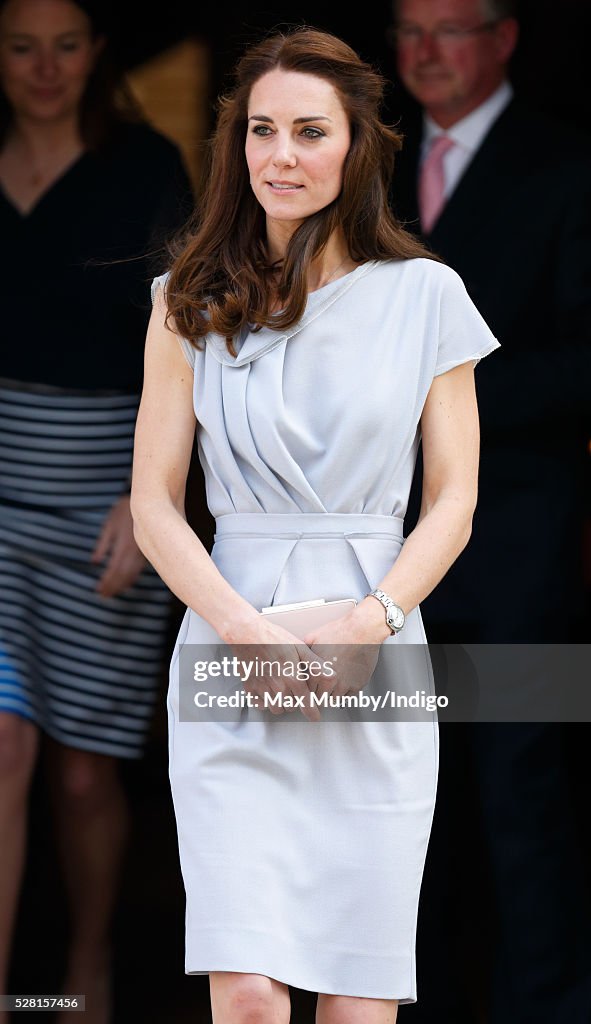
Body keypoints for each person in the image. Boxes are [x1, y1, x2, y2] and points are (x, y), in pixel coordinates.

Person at [130, 25, 500, 1024]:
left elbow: (455, 500)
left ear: (356, 146)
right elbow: (156, 505)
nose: (280, 154)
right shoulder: (184, 300)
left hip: (375, 647)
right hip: (226, 642)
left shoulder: (427, 296)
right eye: (260, 130)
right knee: (247, 991)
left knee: (356, 1001)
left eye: (308, 130)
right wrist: (244, 632)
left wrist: (367, 623)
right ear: (234, 145)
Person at [389, 0, 591, 1021]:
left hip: (516, 547)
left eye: (451, 27)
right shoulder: (365, 161)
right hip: (378, 558)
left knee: (521, 796)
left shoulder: (568, 165)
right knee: (391, 804)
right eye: (409, 29)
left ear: (504, 38)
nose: (425, 50)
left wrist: (440, 398)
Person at [0, 1, 192, 1021]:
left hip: (105, 506)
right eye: (21, 45)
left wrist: (146, 494)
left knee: (80, 775)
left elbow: (195, 343)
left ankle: (84, 968)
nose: (43, 67)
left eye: (65, 44)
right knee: (1, 744)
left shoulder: (144, 170)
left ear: (96, 52)